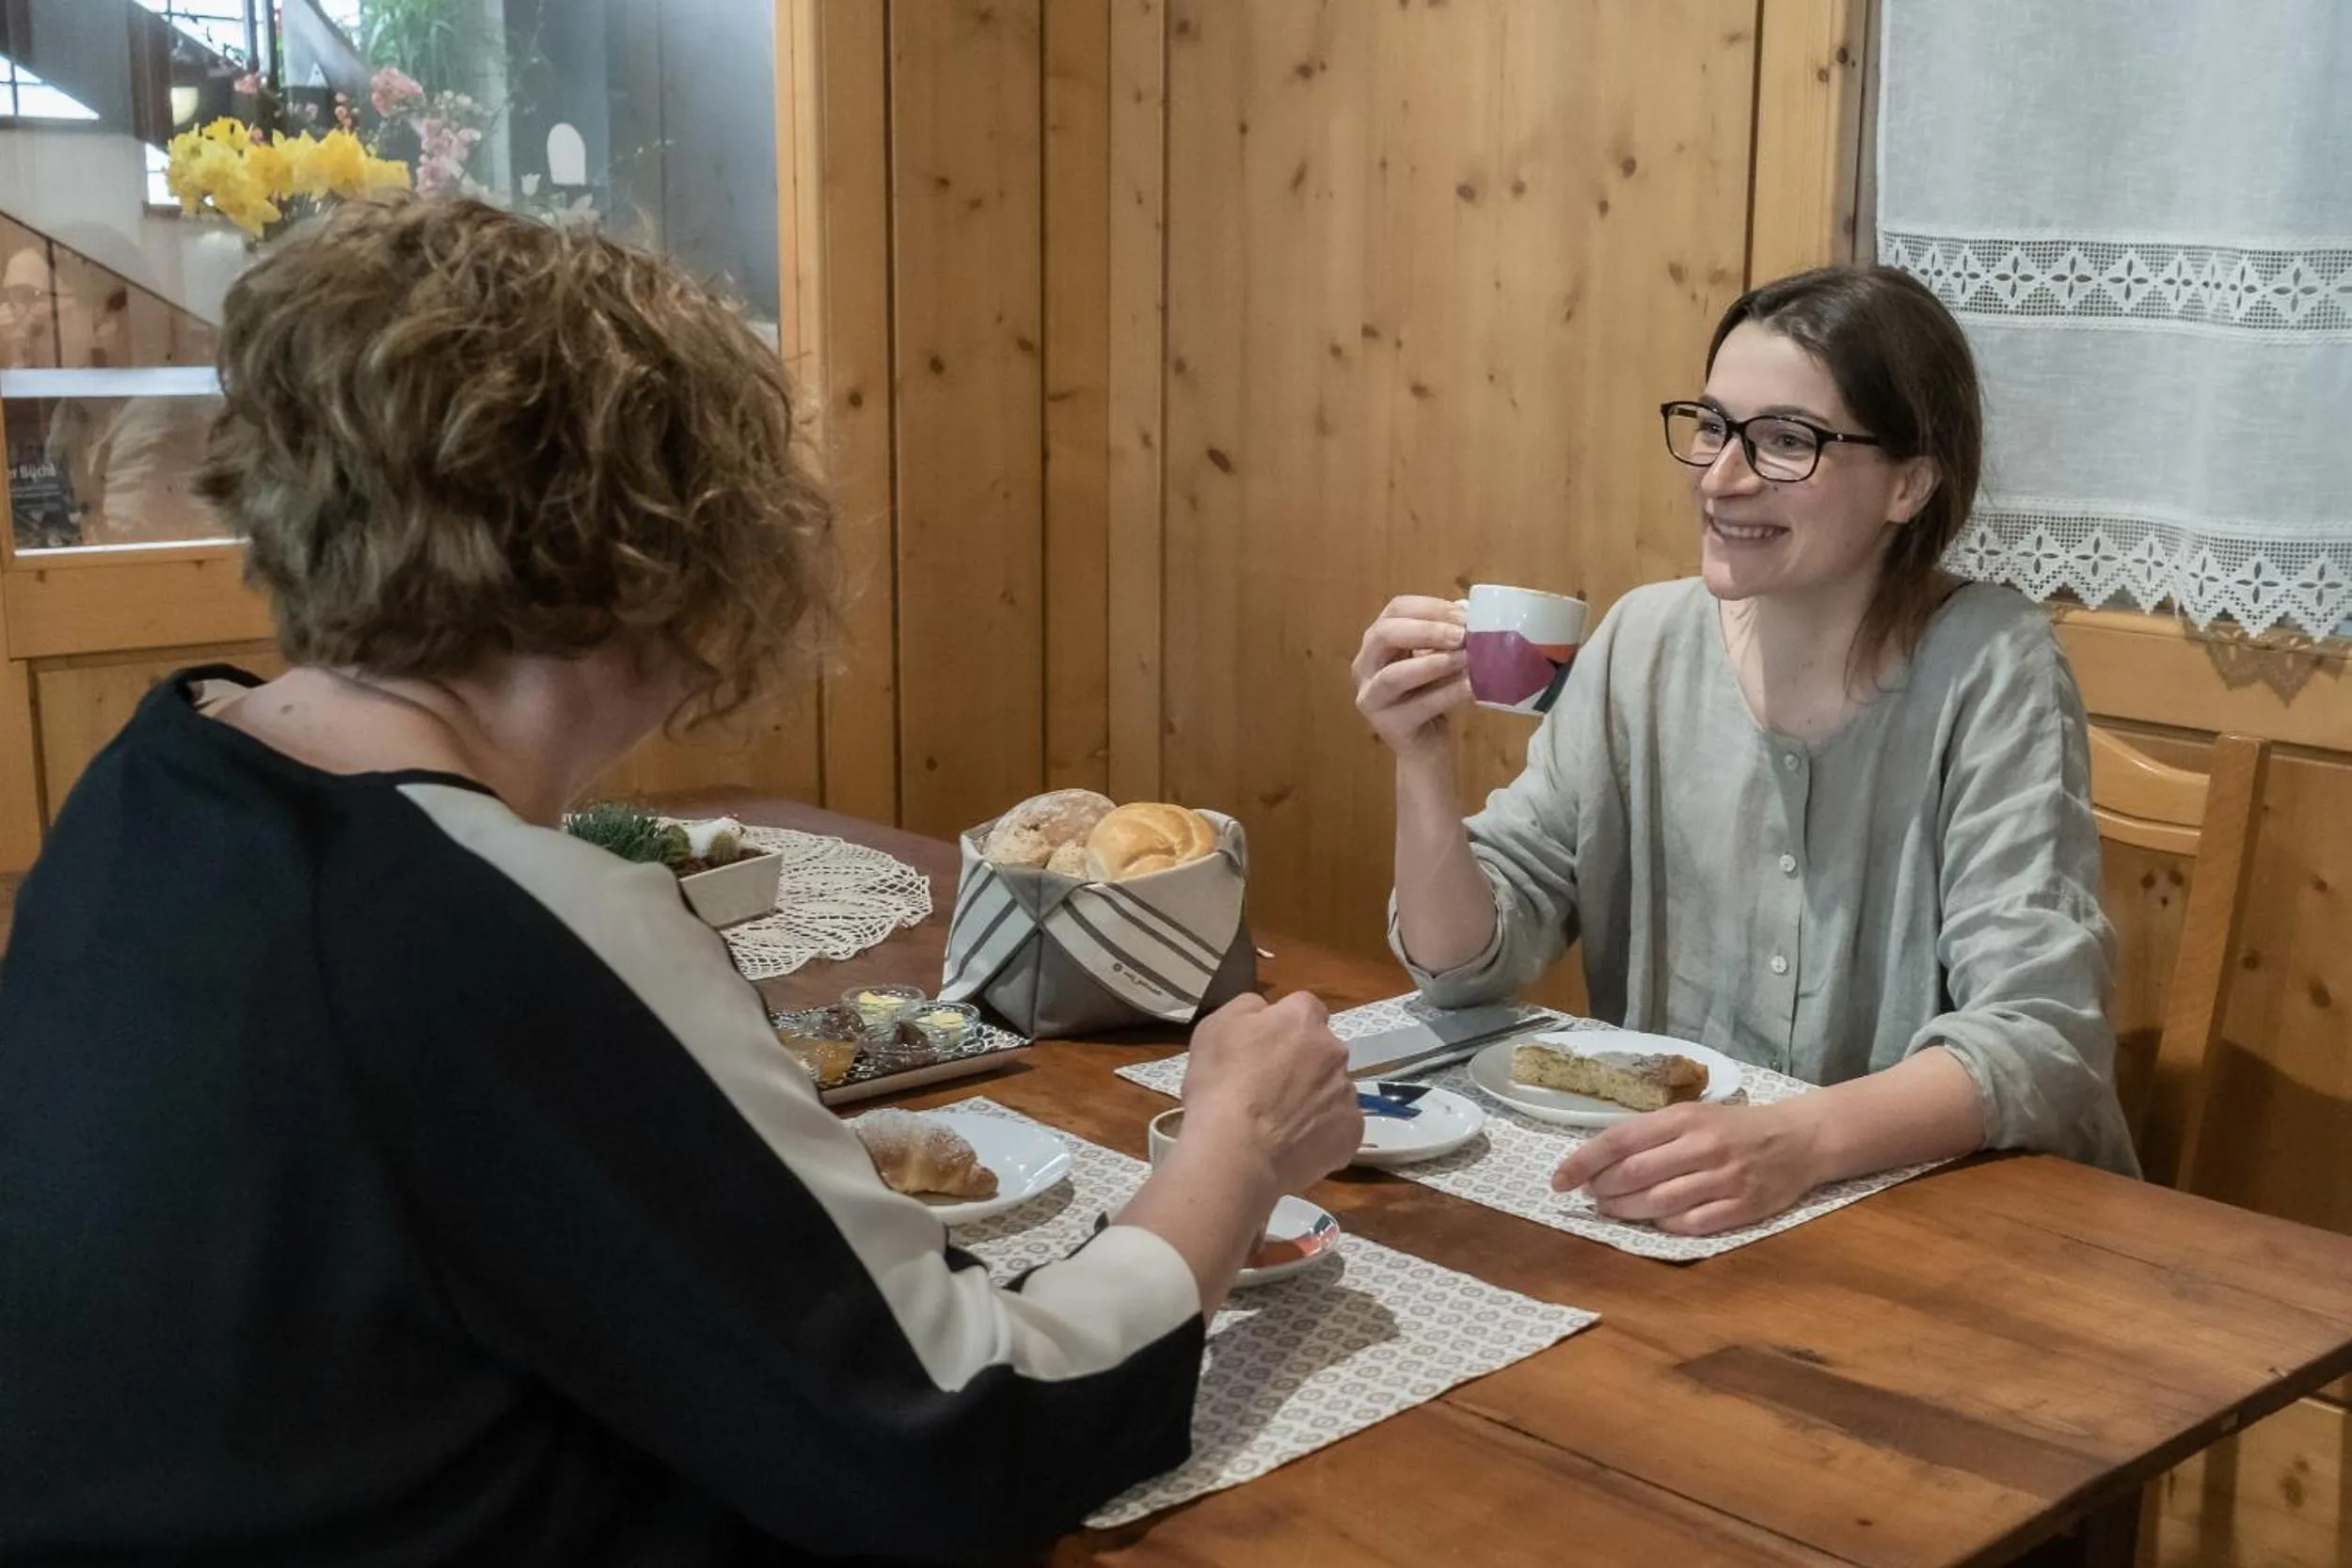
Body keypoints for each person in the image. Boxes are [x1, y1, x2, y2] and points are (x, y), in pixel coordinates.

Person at [0, 193, 1362, 1564]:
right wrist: (1235, 1144)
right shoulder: (500, 920)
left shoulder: (162, 770)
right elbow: (962, 1430)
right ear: (656, 554)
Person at [1352, 265, 2137, 1238]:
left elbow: (2038, 1034)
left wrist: (1793, 1142)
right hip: (1705, 1210)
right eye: (1714, 425)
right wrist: (1420, 759)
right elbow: (1461, 966)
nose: (1721, 477)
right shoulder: (1641, 641)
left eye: (1787, 440)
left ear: (1910, 482)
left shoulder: (1992, 663)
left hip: (1955, 1223)